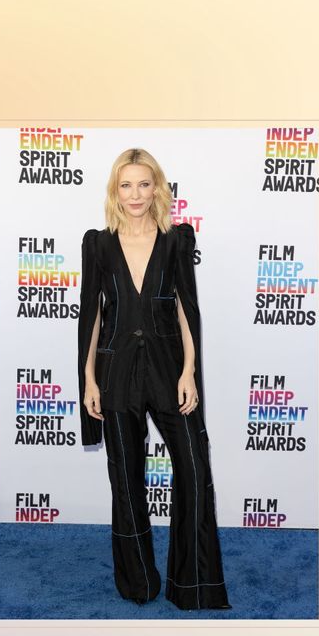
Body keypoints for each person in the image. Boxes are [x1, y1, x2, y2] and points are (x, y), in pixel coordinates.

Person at [77, 148, 229, 610]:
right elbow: (92, 314)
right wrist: (88, 379)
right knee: (125, 479)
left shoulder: (176, 239)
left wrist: (189, 371)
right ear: (114, 191)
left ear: (157, 188)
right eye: (126, 185)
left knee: (194, 468)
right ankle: (138, 582)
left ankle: (194, 584)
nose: (135, 194)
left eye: (144, 184)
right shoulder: (98, 243)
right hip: (116, 370)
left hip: (168, 368)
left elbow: (187, 308)